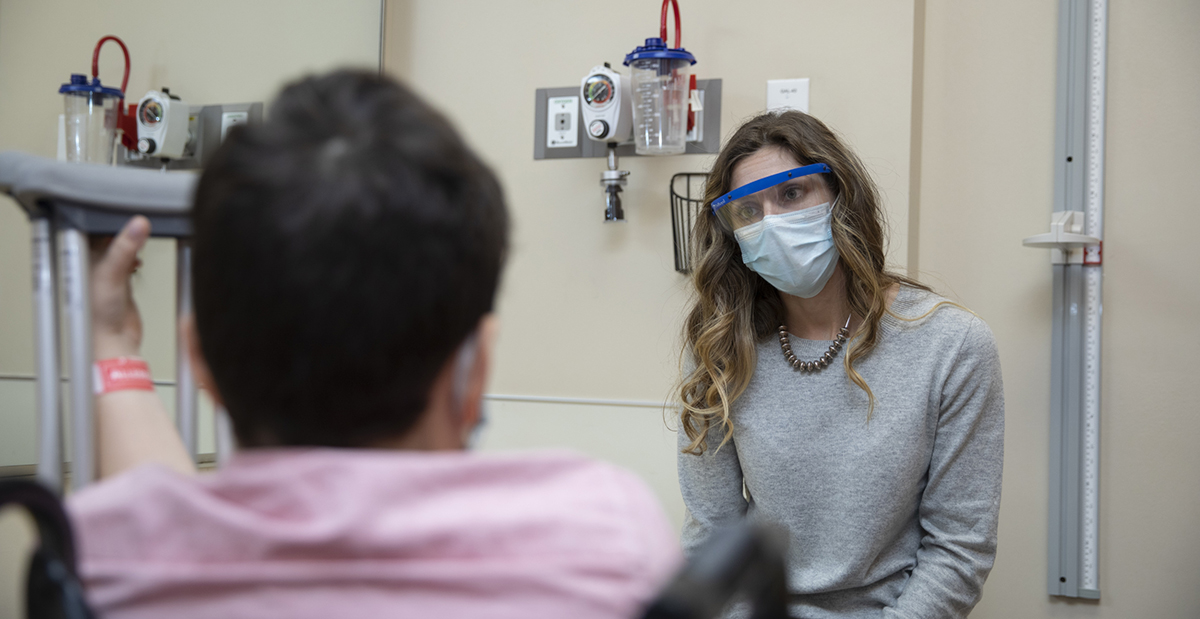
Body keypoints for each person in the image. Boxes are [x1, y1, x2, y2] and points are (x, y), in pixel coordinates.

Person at [69, 69, 681, 619]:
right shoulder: (603, 542)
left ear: (199, 363)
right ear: (477, 369)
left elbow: (159, 528)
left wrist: (111, 343)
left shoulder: (102, 560)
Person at [675, 111, 1004, 618]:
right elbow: (712, 544)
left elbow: (959, 550)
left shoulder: (951, 345)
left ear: (840, 196)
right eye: (748, 210)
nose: (774, 223)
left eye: (791, 194)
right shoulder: (723, 353)